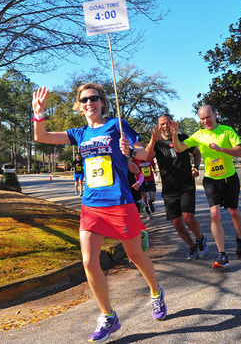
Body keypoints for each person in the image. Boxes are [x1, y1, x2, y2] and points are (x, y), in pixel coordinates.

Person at [32, 82, 167, 342]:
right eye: (84, 100)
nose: (89, 103)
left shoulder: (117, 125)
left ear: (103, 102)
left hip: (119, 202)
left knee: (135, 256)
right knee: (88, 261)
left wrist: (131, 151)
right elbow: (43, 136)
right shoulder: (79, 133)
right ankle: (108, 315)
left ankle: (155, 292)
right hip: (92, 206)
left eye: (94, 98)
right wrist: (38, 113)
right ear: (80, 107)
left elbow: (143, 152)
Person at [171, 105, 241, 269]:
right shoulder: (199, 135)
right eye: (202, 119)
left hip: (229, 178)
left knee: (234, 211)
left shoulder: (227, 131)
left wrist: (221, 149)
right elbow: (179, 148)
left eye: (208, 117)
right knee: (215, 214)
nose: (206, 121)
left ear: (215, 115)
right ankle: (222, 255)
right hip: (211, 180)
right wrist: (175, 135)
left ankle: (240, 238)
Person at [146, 114, 209, 261]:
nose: (166, 126)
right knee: (178, 224)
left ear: (173, 123)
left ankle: (200, 240)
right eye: (162, 124)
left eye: (168, 122)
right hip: (169, 190)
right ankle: (192, 246)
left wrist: (195, 167)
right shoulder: (157, 143)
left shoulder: (183, 137)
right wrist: (152, 140)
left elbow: (196, 152)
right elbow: (147, 157)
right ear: (159, 127)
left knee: (188, 218)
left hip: (186, 185)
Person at [128, 160, 149, 252]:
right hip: (118, 197)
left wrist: (138, 183)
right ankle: (134, 247)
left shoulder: (130, 165)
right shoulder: (109, 165)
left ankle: (140, 239)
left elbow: (140, 176)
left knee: (132, 221)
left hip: (132, 196)